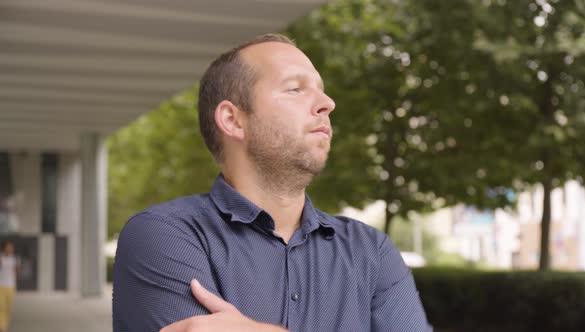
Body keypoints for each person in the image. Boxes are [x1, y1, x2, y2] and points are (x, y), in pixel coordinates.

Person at [113, 33, 432, 332]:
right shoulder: (163, 235)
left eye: (321, 89)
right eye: (295, 88)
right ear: (233, 120)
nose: (327, 103)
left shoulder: (371, 251)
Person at [0, 240, 18, 332]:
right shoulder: (1, 258)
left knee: (8, 307)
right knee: (2, 307)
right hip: (1, 286)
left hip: (11, 286)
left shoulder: (14, 259)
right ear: (5, 248)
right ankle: (2, 326)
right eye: (8, 247)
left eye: (11, 247)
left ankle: (5, 324)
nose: (10, 248)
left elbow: (16, 272)